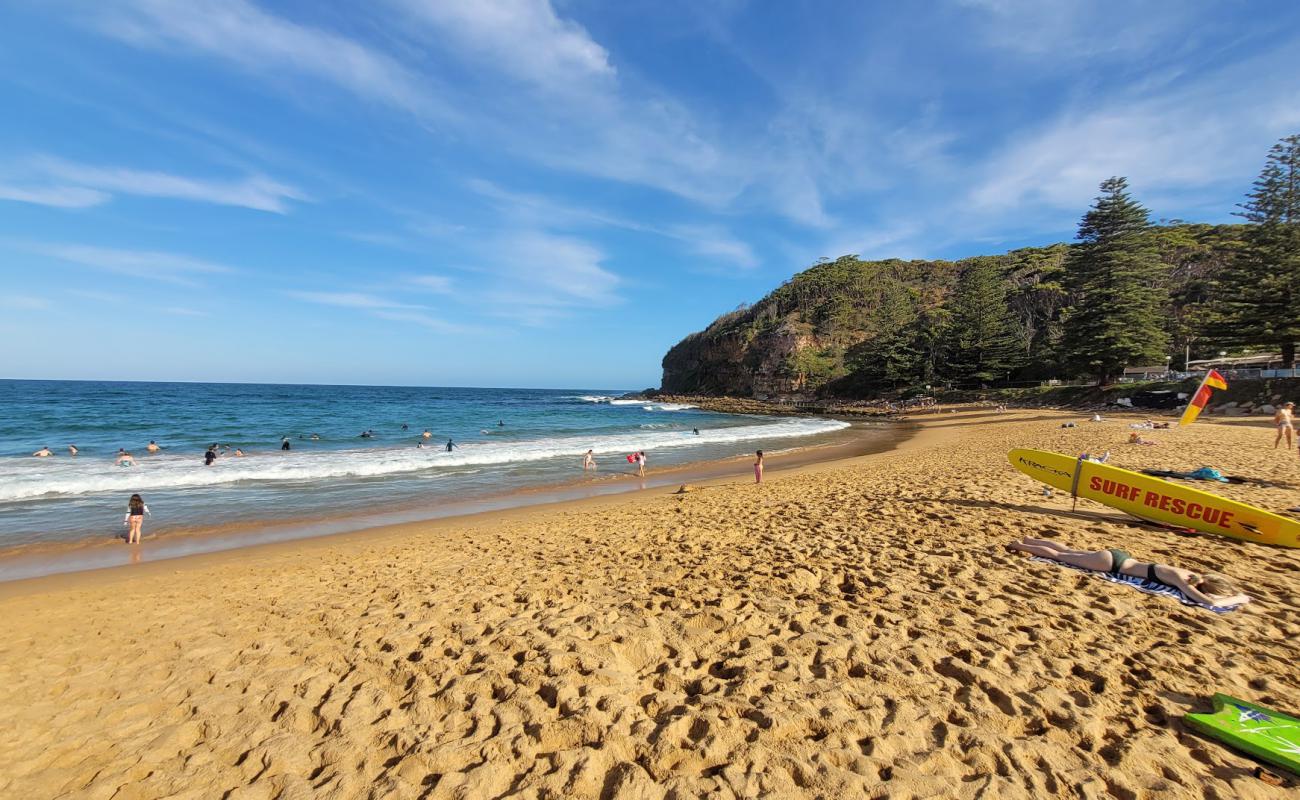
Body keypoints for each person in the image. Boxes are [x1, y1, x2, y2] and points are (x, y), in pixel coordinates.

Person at [1007, 537, 1249, 607]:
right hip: (1112, 565)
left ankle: (1030, 539)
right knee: (1061, 557)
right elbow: (1208, 602)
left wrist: (1234, 594)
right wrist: (1238, 598)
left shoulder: (1186, 572)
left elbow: (1206, 595)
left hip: (1119, 555)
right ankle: (1020, 545)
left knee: (1069, 551)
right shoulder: (1182, 581)